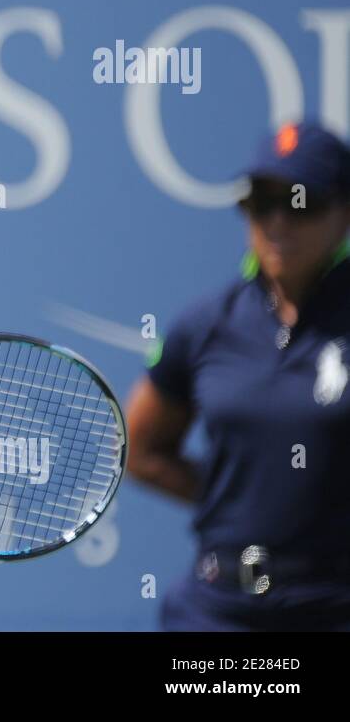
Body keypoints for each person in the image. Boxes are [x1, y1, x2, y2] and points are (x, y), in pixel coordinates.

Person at [126, 121, 350, 630]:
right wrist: (238, 501)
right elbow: (141, 449)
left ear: (345, 212)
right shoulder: (205, 323)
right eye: (260, 201)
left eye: (301, 202)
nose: (278, 221)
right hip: (217, 610)